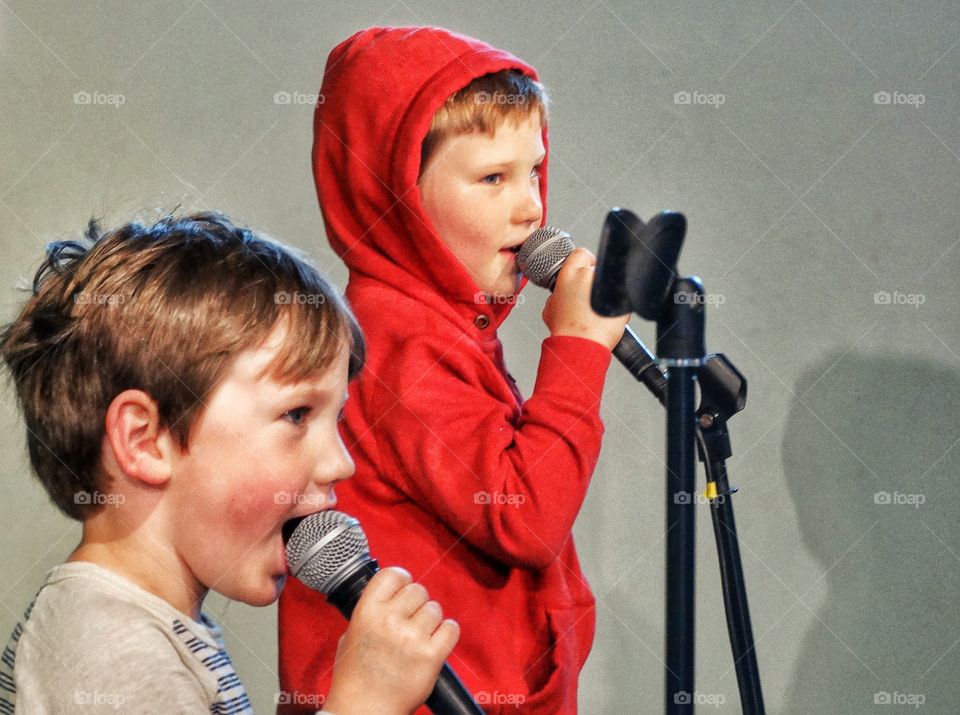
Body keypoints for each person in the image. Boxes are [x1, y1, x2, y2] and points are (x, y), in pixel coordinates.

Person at [279, 27, 629, 713]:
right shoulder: (394, 342)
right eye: (493, 178)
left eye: (534, 171)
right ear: (397, 196)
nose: (530, 205)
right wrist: (580, 348)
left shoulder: (444, 329)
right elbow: (523, 514)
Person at [0, 212, 459, 714]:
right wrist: (362, 705)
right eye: (297, 414)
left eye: (337, 420)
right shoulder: (109, 646)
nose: (339, 463)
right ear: (145, 441)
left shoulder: (151, 627)